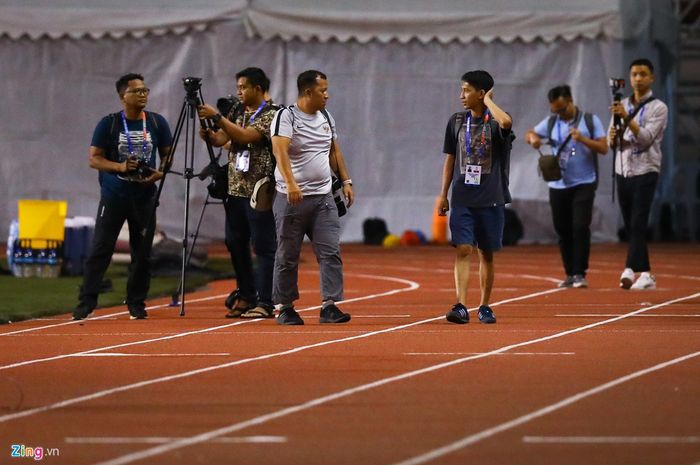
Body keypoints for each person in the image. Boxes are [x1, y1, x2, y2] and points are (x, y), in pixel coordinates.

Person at [73, 73, 172, 320]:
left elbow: (167, 154)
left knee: (143, 254)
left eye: (145, 90)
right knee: (100, 249)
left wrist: (160, 172)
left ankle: (137, 303)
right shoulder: (109, 124)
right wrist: (120, 167)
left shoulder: (158, 123)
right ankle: (86, 302)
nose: (143, 94)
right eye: (137, 91)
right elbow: (94, 159)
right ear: (122, 96)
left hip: (144, 197)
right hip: (114, 196)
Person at [269, 70, 355, 325]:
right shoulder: (286, 117)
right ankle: (285, 306)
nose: (327, 95)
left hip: (323, 198)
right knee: (287, 255)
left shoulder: (326, 117)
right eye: (322, 90)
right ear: (308, 92)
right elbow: (280, 152)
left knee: (331, 252)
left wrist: (347, 181)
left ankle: (329, 305)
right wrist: (292, 183)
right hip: (291, 198)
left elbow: (334, 151)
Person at [197, 67, 278, 318]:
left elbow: (245, 135)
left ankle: (265, 301)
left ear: (258, 88)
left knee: (263, 246)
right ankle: (246, 295)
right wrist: (209, 136)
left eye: (243, 87)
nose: (239, 92)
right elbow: (223, 139)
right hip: (234, 189)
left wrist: (218, 117)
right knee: (235, 243)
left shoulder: (273, 114)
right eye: (238, 87)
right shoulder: (237, 110)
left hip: (259, 190)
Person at [438, 70, 513, 325]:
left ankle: (484, 305)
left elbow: (506, 124)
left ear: (481, 93)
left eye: (467, 90)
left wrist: (489, 101)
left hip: (491, 198)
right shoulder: (457, 121)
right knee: (463, 248)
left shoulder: (496, 121)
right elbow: (450, 159)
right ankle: (460, 304)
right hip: (462, 197)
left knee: (487, 253)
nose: (461, 95)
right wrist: (443, 194)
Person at [525, 85, 608, 288]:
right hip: (558, 184)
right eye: (555, 110)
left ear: (571, 100)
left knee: (580, 226)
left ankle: (580, 272)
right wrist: (534, 140)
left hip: (584, 182)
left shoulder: (590, 120)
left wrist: (583, 139)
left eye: (562, 109)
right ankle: (570, 273)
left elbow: (604, 147)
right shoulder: (552, 122)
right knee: (562, 229)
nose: (560, 113)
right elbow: (530, 133)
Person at [609, 58, 668, 290]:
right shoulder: (621, 103)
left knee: (638, 222)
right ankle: (642, 272)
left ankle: (633, 270)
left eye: (643, 74)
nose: (638, 79)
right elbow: (609, 139)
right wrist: (612, 137)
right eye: (634, 74)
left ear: (651, 77)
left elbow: (645, 137)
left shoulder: (658, 107)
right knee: (631, 223)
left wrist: (625, 117)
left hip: (645, 169)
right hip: (623, 169)